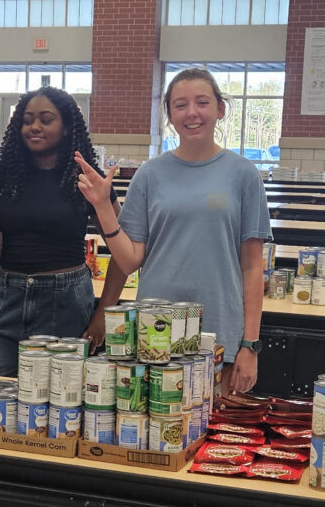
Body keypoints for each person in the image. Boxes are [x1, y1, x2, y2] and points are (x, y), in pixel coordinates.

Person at [77, 68, 272, 393]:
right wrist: (101, 207)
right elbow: (129, 261)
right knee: (152, 431)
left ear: (220, 109)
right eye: (180, 104)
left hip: (218, 328)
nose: (192, 112)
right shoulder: (150, 175)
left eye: (202, 102)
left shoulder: (244, 175)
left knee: (211, 433)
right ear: (169, 114)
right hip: (154, 332)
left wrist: (249, 345)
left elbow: (252, 267)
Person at [0, 86, 103, 376]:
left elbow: (125, 250)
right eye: (27, 120)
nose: (34, 127)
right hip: (7, 296)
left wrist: (103, 314)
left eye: (46, 119)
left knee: (57, 402)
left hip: (64, 300)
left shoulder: (86, 179)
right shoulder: (5, 178)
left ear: (66, 128)